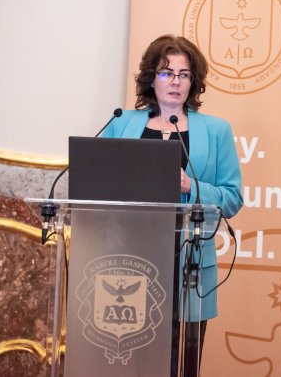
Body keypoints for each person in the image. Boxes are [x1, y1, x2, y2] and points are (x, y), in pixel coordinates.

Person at [102, 34, 243, 374]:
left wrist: (190, 186)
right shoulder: (121, 124)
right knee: (128, 364)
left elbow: (232, 198)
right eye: (166, 72)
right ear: (151, 78)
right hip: (128, 263)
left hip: (188, 265)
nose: (175, 81)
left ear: (193, 81)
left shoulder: (216, 131)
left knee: (180, 365)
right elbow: (99, 186)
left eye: (183, 74)